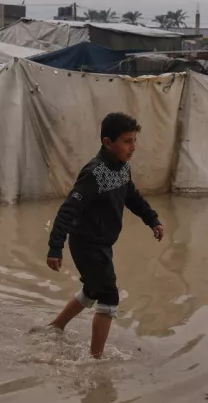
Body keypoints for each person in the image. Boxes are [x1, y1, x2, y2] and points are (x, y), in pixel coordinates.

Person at [43, 112, 164, 358]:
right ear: (108, 143)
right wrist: (55, 247)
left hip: (102, 244)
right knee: (109, 297)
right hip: (86, 245)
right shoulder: (94, 173)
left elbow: (132, 197)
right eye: (127, 141)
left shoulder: (122, 169)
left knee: (92, 290)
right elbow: (68, 210)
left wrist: (152, 219)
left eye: (134, 141)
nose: (133, 147)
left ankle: (56, 327)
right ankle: (96, 360)